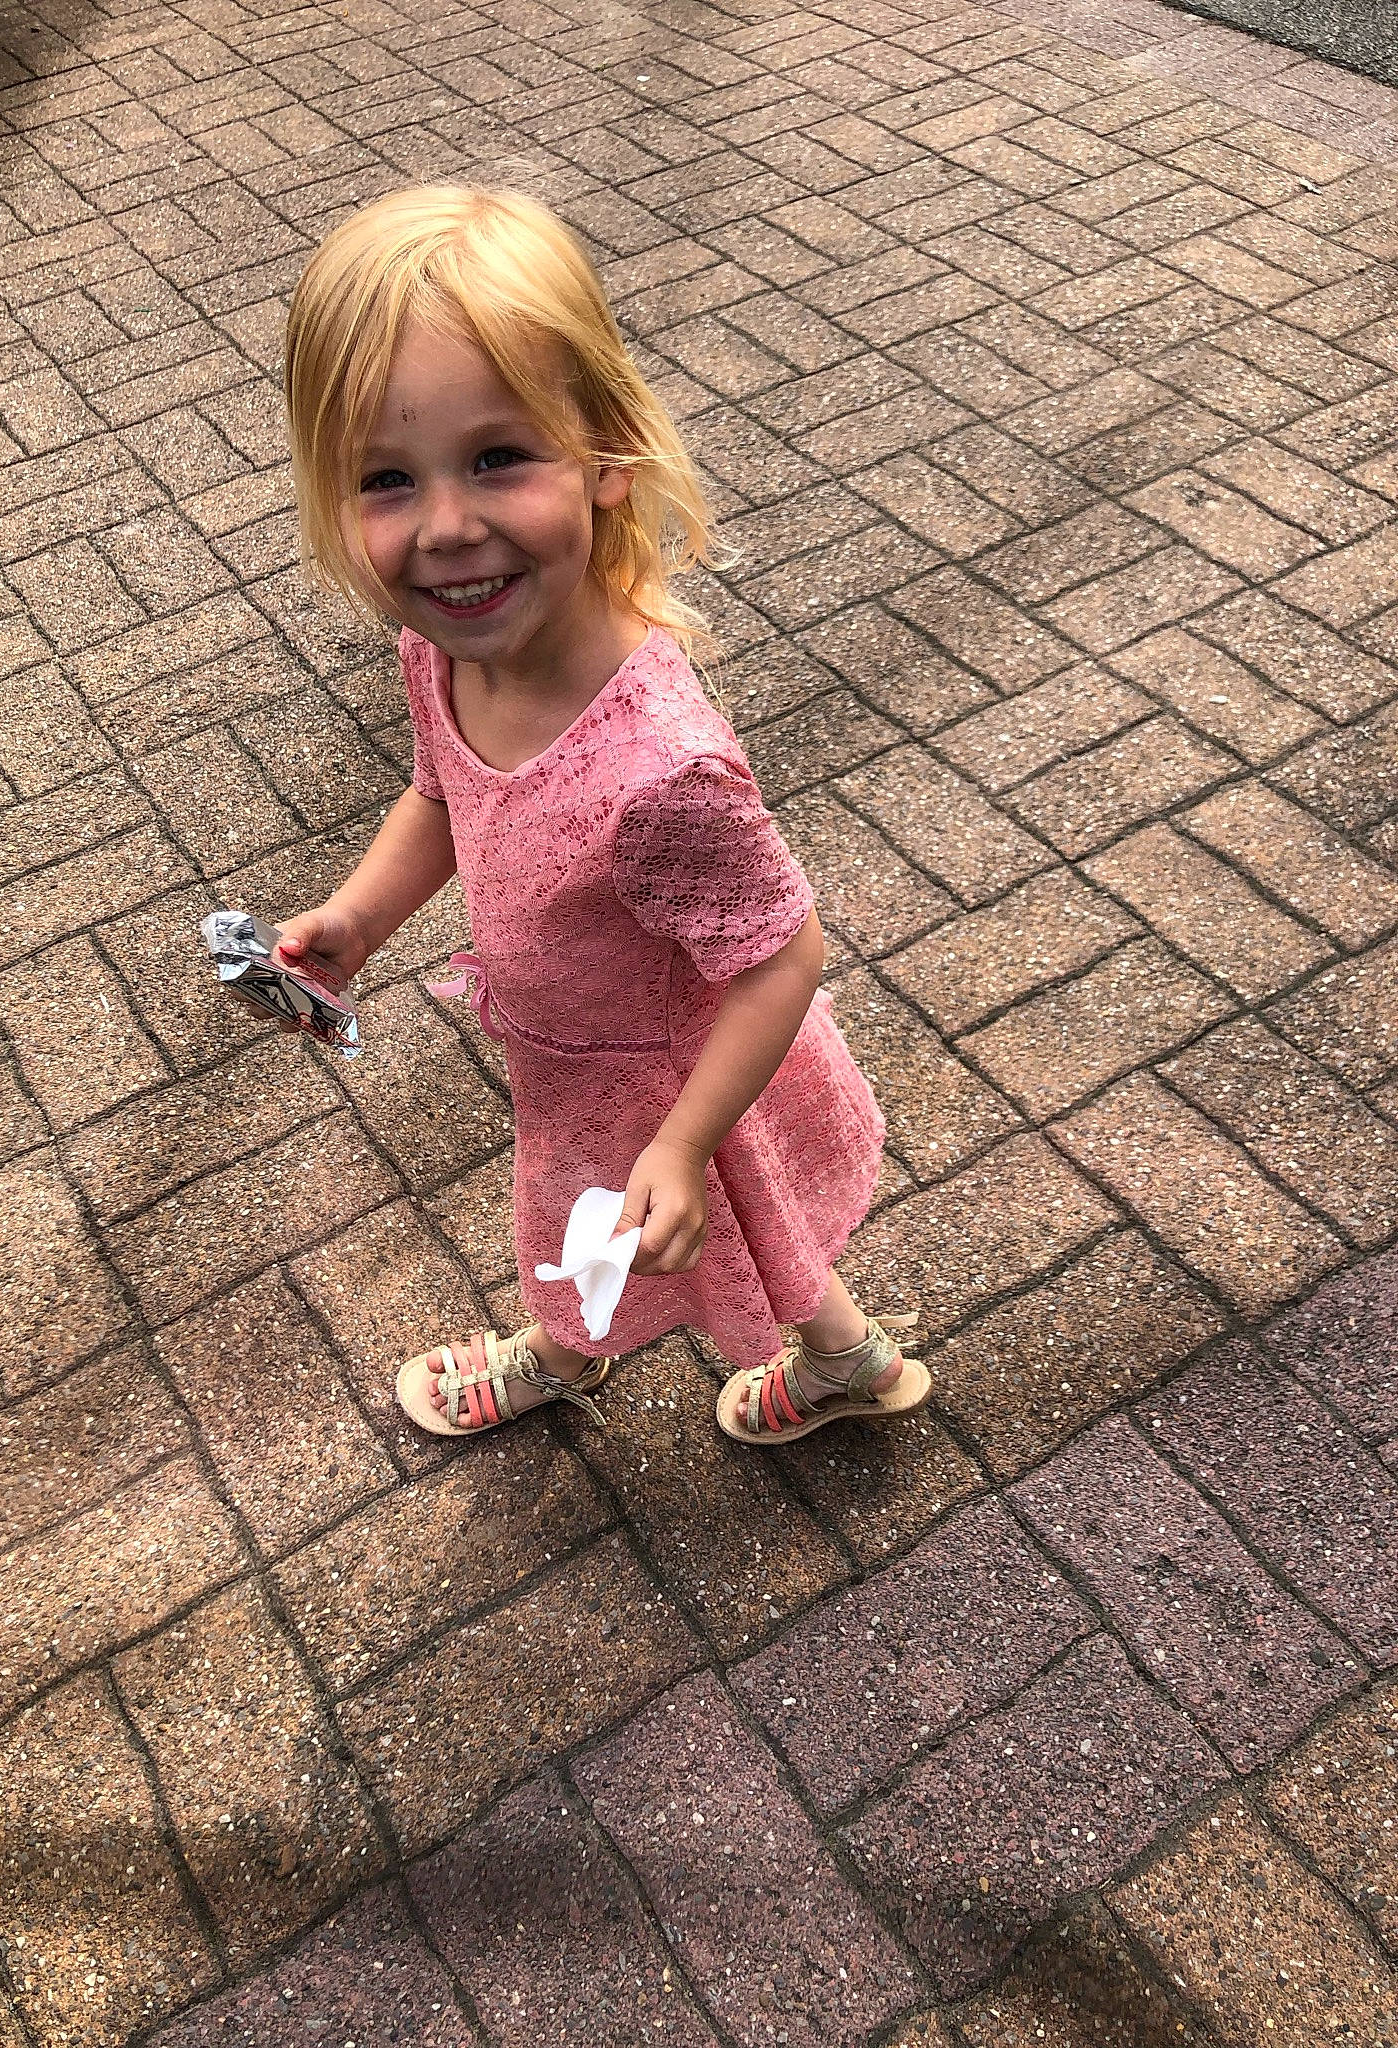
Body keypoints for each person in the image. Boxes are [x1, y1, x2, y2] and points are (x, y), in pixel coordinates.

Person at [275, 185, 932, 1445]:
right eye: (384, 479)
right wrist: (359, 917)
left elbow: (784, 955)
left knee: (619, 1222)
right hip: (579, 1053)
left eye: (498, 457)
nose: (448, 528)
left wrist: (685, 1141)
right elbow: (444, 792)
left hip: (678, 1074)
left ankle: (562, 1358)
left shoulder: (660, 771)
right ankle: (848, 1360)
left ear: (609, 457)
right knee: (741, 1237)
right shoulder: (455, 654)